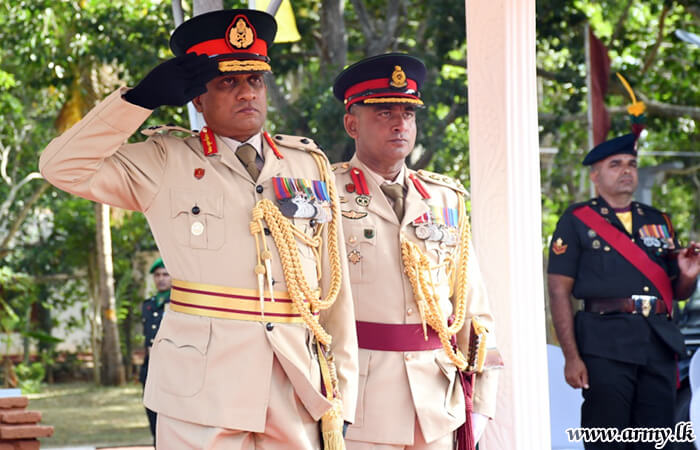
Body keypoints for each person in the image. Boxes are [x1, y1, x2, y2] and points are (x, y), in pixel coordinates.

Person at [39, 9, 358, 449]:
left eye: (254, 80)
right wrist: (138, 101)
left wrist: (344, 396)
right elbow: (61, 167)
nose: (246, 92)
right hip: (201, 390)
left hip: (295, 385)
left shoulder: (308, 166)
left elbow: (334, 295)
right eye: (227, 82)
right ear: (197, 100)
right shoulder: (165, 160)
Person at [331, 53, 502, 450]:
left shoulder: (445, 198)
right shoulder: (326, 195)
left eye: (408, 113)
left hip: (437, 402)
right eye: (384, 113)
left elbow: (472, 307)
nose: (400, 124)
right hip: (359, 405)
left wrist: (481, 401)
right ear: (352, 124)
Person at [548, 133, 700, 449]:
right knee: (607, 438)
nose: (626, 170)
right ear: (595, 175)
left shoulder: (659, 221)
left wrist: (688, 275)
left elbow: (677, 293)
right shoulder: (576, 220)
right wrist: (571, 357)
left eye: (631, 164)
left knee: (656, 439)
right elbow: (559, 291)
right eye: (615, 164)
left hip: (656, 343)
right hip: (604, 344)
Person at [140, 257, 172, 444]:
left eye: (165, 274)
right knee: (152, 413)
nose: (161, 279)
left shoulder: (178, 303)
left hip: (171, 368)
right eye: (157, 275)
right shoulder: (148, 305)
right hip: (150, 368)